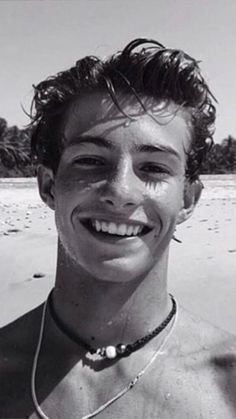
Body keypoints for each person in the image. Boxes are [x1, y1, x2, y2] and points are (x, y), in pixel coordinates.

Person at [1, 38, 235, 419]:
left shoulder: (227, 384)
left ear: (188, 199)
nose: (121, 192)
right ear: (48, 186)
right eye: (91, 160)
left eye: (154, 167)